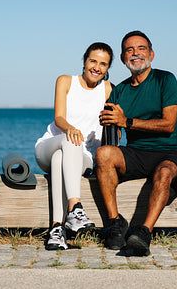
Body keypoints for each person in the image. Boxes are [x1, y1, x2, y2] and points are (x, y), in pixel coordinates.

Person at [96, 30, 177, 256]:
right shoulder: (119, 91)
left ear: (151, 54)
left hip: (170, 151)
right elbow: (113, 135)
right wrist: (109, 125)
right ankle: (115, 224)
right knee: (104, 154)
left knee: (165, 172)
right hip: (137, 153)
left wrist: (126, 121)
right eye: (129, 49)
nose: (135, 53)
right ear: (122, 58)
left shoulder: (165, 79)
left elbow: (168, 124)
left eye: (141, 49)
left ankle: (144, 233)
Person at [35, 42, 114, 250]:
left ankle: (56, 230)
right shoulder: (65, 81)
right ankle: (74, 209)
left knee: (61, 158)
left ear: (107, 69)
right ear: (84, 61)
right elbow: (59, 118)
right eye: (93, 61)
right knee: (69, 143)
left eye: (103, 64)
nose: (97, 67)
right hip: (51, 145)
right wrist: (71, 129)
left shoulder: (107, 89)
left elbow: (112, 127)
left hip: (84, 156)